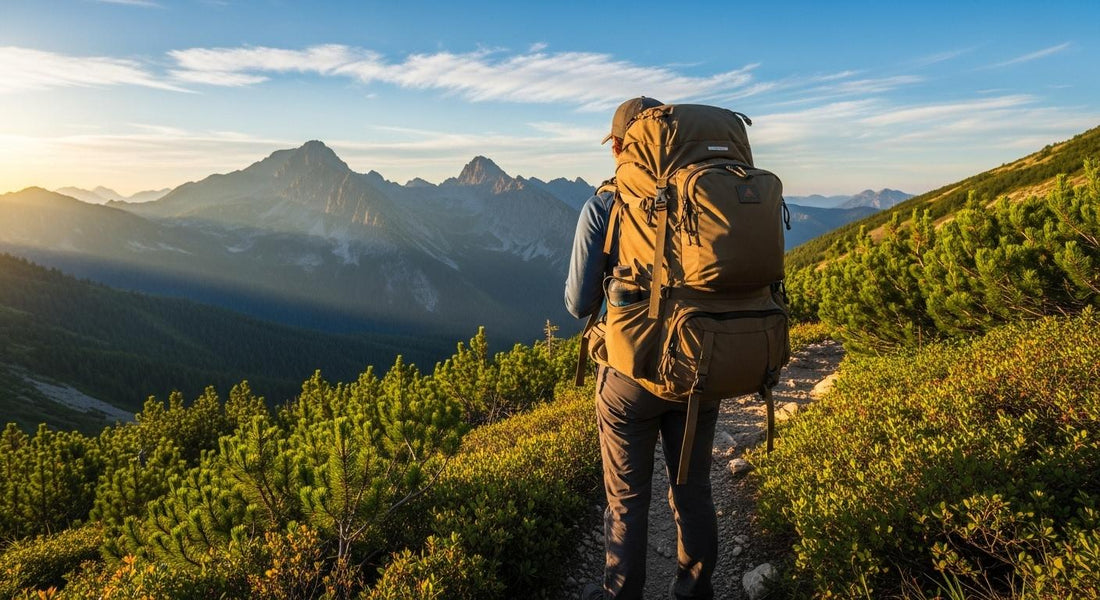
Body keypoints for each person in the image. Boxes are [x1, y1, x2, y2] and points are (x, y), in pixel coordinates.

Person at [565, 97, 720, 600]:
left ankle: (621, 594)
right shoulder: (709, 195)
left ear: (618, 145)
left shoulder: (606, 203)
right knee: (692, 491)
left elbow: (577, 303)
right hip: (700, 363)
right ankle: (693, 592)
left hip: (630, 375)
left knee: (627, 502)